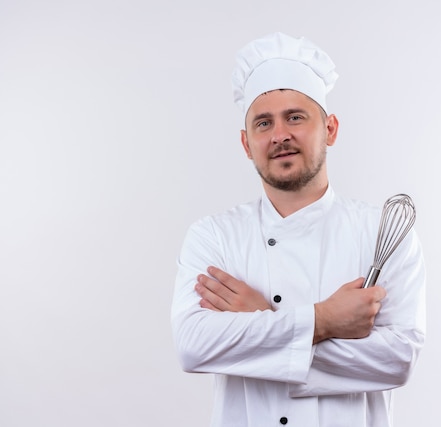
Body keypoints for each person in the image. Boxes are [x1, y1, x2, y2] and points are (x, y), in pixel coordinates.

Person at [171, 32, 426, 427]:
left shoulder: (382, 233)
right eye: (263, 122)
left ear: (331, 128)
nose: (279, 135)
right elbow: (194, 347)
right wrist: (324, 320)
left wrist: (261, 320)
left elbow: (396, 361)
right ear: (246, 143)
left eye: (295, 117)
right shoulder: (214, 236)